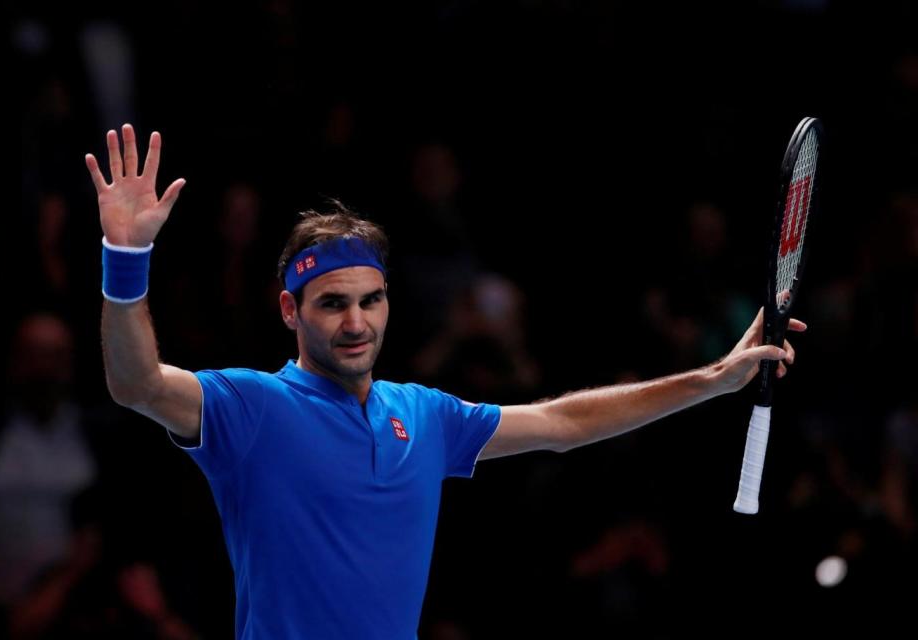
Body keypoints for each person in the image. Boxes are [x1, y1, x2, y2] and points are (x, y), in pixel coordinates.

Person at [84, 124, 805, 640]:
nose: (356, 322)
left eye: (371, 299)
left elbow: (564, 424)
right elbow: (136, 383)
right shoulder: (250, 407)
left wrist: (713, 379)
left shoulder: (425, 416)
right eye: (332, 304)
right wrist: (126, 257)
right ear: (290, 310)